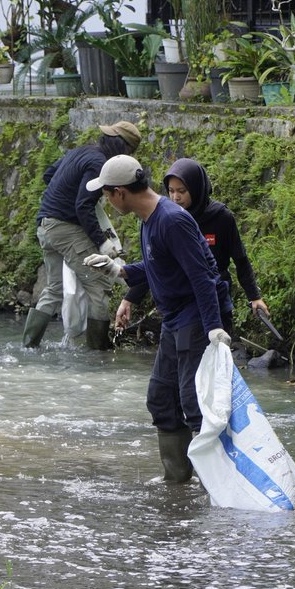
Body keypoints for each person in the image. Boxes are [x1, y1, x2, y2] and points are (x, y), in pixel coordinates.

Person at [83, 155, 231, 483]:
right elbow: (158, 268)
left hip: (195, 318)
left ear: (120, 192)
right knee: (161, 398)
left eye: (107, 194)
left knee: (195, 405)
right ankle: (177, 482)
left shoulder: (172, 220)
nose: (106, 200)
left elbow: (203, 277)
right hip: (173, 318)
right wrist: (117, 270)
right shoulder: (148, 219)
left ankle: (222, 486)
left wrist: (213, 328)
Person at [116, 157, 268, 338]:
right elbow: (158, 264)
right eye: (171, 191)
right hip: (182, 305)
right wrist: (129, 299)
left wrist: (254, 296)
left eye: (182, 191)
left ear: (196, 189)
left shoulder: (221, 217)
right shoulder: (167, 220)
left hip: (212, 302)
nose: (175, 197)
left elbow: (240, 259)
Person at [23, 120, 142, 350]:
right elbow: (83, 206)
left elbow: (49, 175)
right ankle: (97, 355)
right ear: (123, 149)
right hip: (65, 228)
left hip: (45, 225)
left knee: (55, 288)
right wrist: (103, 243)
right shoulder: (100, 164)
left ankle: (28, 345)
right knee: (98, 286)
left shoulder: (81, 151)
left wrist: (65, 195)